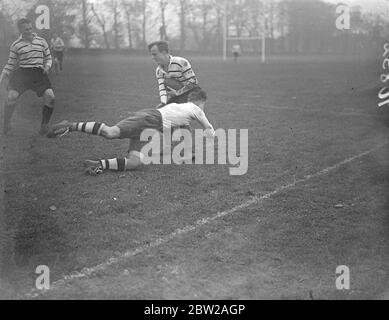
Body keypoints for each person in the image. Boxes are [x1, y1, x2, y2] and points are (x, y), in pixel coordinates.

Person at [47, 88, 215, 175]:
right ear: (201, 101)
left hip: (152, 126)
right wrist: (211, 141)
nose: (203, 108)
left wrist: (189, 150)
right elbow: (208, 128)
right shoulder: (196, 109)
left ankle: (98, 165)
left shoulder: (182, 108)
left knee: (135, 163)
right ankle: (70, 125)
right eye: (204, 104)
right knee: (110, 132)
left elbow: (178, 130)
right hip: (150, 119)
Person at [0, 18, 55, 135]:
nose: (29, 31)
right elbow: (10, 64)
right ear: (20, 30)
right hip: (23, 74)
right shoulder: (16, 45)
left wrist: (47, 66)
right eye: (26, 29)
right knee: (11, 97)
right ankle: (7, 123)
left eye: (30, 28)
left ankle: (44, 126)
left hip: (39, 74)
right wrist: (1, 77)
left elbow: (49, 57)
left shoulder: (41, 41)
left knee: (50, 97)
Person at [148, 41, 200, 108]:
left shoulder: (181, 62)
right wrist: (163, 103)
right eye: (151, 54)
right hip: (178, 95)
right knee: (160, 110)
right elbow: (162, 88)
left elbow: (193, 82)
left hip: (192, 93)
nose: (152, 57)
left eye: (154, 54)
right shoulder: (159, 71)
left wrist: (177, 93)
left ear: (164, 52)